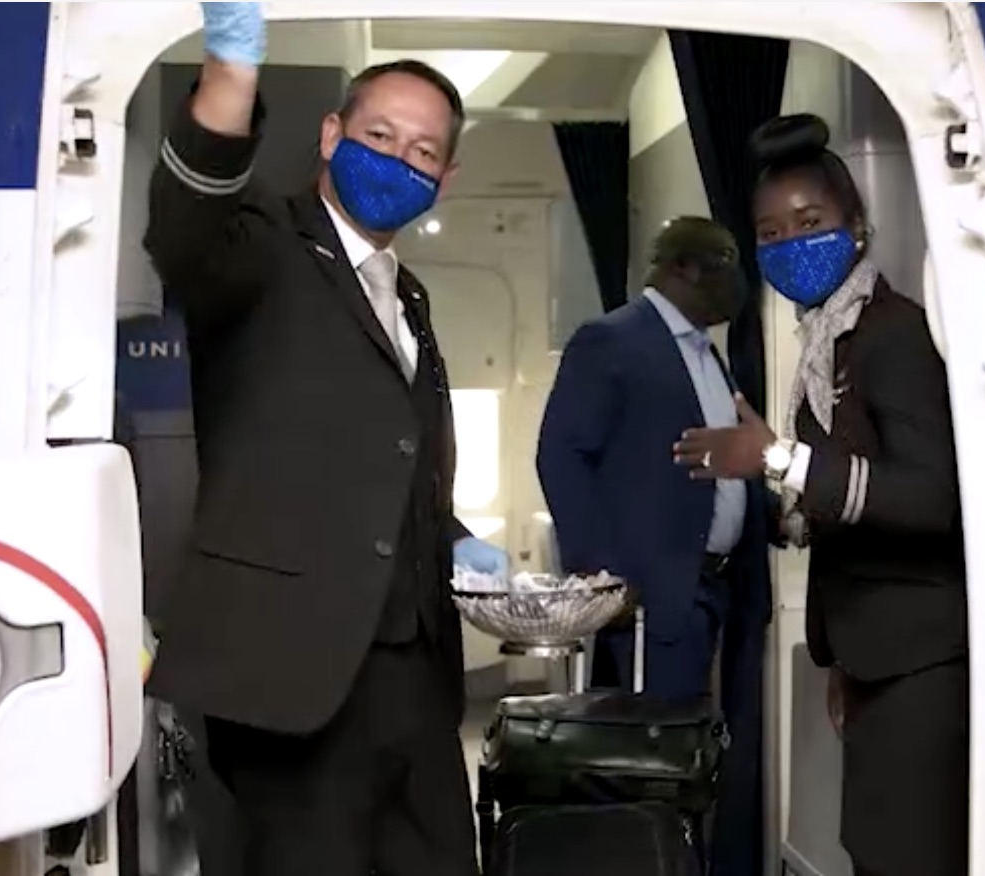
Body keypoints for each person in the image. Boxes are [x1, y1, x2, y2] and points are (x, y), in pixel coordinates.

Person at [142, 5, 505, 875]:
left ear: (445, 178)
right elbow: (184, 229)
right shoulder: (264, 245)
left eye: (423, 151)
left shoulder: (407, 295)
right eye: (379, 134)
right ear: (331, 133)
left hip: (415, 682)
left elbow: (383, 464)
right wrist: (230, 72)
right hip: (291, 672)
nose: (399, 158)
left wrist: (458, 549)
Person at [673, 113, 970, 876]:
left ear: (858, 227)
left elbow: (932, 497)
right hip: (872, 655)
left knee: (905, 856)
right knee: (870, 850)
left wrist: (775, 455)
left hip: (923, 655)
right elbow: (842, 507)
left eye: (810, 224)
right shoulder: (825, 345)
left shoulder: (894, 334)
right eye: (770, 235)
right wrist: (842, 661)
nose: (790, 246)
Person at [536, 216, 772, 876]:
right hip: (653, 599)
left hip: (726, 589)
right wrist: (599, 573)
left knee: (708, 763)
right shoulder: (611, 340)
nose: (740, 286)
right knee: (655, 770)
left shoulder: (706, 353)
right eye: (728, 265)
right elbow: (560, 453)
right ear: (686, 269)